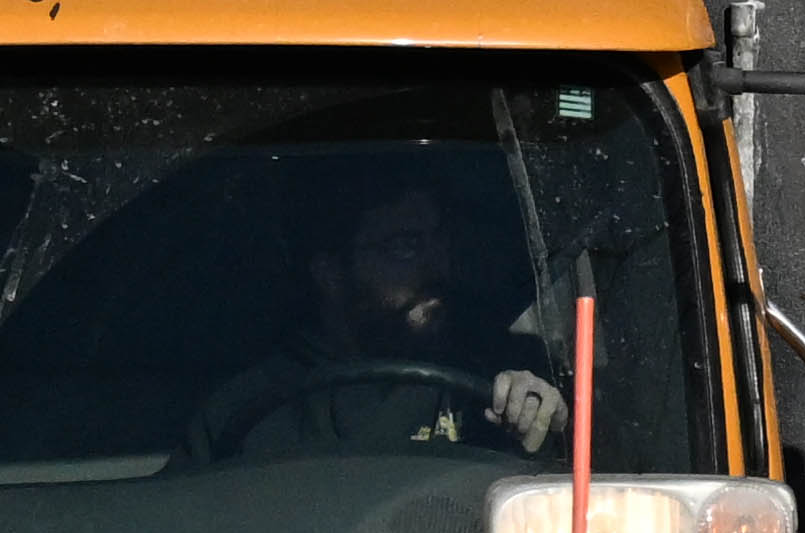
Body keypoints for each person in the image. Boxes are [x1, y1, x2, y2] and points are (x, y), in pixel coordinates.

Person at [186, 182, 568, 461]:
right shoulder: (243, 409)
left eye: (439, 241)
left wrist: (538, 420)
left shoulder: (493, 373)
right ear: (331, 275)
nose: (437, 266)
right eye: (404, 247)